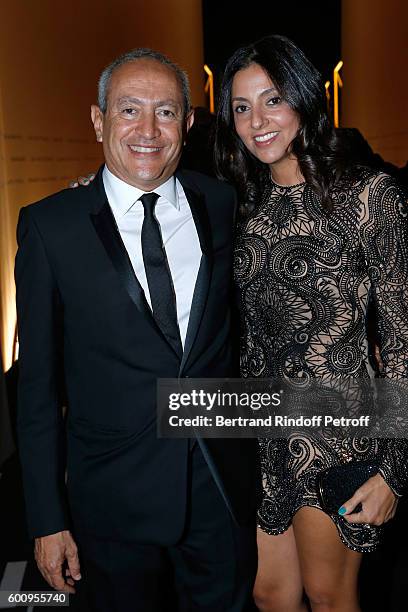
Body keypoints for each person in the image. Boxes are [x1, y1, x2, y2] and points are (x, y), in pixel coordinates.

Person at [15, 48, 259, 612]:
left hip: (217, 488)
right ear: (99, 120)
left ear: (188, 123)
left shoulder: (222, 203)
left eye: (166, 112)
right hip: (110, 502)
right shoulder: (51, 227)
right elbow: (37, 391)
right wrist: (48, 519)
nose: (148, 130)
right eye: (129, 110)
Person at [214, 35, 408, 612]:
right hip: (265, 429)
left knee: (328, 595)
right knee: (270, 594)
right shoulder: (242, 205)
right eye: (243, 108)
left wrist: (396, 470)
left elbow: (402, 341)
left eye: (272, 100)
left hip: (339, 430)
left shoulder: (371, 196)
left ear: (303, 99)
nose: (258, 121)